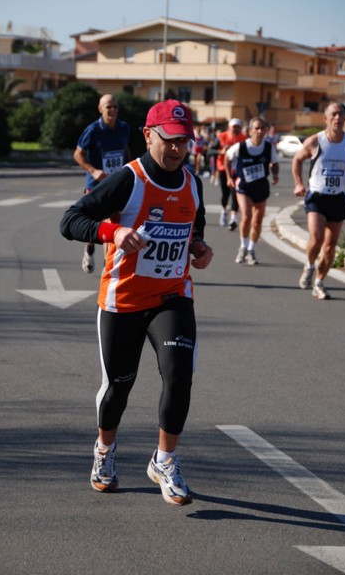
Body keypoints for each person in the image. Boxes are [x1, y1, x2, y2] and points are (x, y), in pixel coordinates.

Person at [60, 99, 213, 506]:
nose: (178, 150)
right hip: (122, 301)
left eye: (184, 141)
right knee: (118, 388)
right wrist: (112, 232)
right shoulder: (129, 179)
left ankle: (165, 459)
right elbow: (70, 220)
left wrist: (198, 246)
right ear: (148, 136)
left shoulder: (193, 183)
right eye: (170, 140)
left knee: (179, 373)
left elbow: (194, 223)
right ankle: (104, 451)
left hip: (172, 297)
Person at [292, 102, 345, 300]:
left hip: (339, 197)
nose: (337, 118)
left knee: (330, 246)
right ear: (325, 119)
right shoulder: (316, 141)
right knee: (316, 238)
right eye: (333, 114)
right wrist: (299, 183)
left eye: (341, 114)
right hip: (318, 196)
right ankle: (309, 266)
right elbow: (297, 159)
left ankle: (319, 282)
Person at [73, 94, 130, 274]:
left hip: (117, 184)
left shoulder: (123, 128)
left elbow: (126, 150)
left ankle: (108, 266)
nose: (112, 110)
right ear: (100, 109)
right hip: (96, 184)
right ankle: (89, 249)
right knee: (94, 224)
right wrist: (93, 170)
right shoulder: (93, 130)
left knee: (111, 223)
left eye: (115, 107)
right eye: (108, 107)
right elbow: (78, 154)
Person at [225, 117, 279, 265]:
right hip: (244, 186)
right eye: (256, 128)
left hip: (261, 186)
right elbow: (227, 157)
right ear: (250, 131)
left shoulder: (269, 147)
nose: (259, 131)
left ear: (266, 131)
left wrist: (275, 175)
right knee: (247, 216)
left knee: (257, 221)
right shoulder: (241, 146)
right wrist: (229, 177)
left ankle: (251, 250)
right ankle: (243, 246)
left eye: (262, 128)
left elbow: (274, 162)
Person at [217, 118, 247, 230]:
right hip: (223, 169)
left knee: (235, 194)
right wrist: (220, 152)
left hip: (238, 171)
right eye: (233, 127)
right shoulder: (222, 136)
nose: (235, 129)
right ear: (229, 127)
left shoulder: (244, 139)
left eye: (237, 127)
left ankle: (233, 219)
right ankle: (224, 210)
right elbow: (210, 150)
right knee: (225, 194)